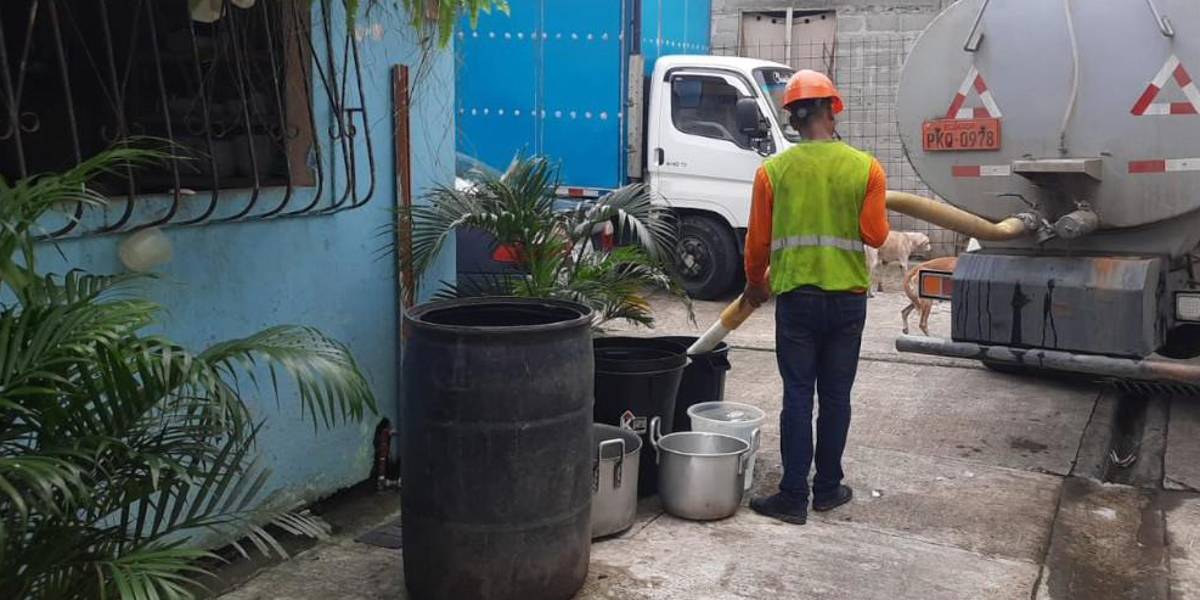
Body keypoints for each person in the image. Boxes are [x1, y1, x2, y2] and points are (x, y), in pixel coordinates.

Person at [742, 70, 890, 525]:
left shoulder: (772, 172)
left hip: (796, 301)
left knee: (798, 396)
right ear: (832, 110)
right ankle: (827, 488)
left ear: (793, 119)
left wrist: (754, 284)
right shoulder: (867, 167)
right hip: (847, 301)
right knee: (837, 397)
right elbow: (876, 235)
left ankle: (792, 496)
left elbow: (757, 245)